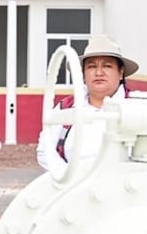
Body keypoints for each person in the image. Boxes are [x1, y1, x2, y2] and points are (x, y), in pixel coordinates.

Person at [36, 34, 139, 177]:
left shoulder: (137, 106)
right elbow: (45, 150)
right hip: (73, 187)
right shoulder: (66, 107)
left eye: (107, 66)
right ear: (83, 74)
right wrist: (68, 176)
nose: (98, 73)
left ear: (120, 73)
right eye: (91, 66)